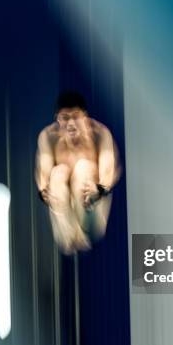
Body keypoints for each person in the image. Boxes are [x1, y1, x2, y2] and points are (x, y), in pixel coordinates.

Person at [35, 91, 121, 254]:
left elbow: (108, 169)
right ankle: (71, 235)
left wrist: (100, 190)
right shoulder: (48, 136)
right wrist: (44, 192)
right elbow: (43, 173)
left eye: (76, 117)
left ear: (85, 118)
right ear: (58, 120)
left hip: (93, 212)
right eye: (65, 118)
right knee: (58, 173)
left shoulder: (100, 133)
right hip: (65, 221)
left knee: (83, 167)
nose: (71, 124)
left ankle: (81, 232)